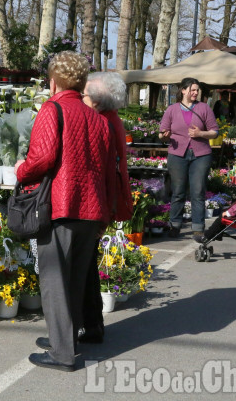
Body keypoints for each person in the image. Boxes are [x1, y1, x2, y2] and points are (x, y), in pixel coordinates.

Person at [15, 51, 114, 372]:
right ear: (83, 82)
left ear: (53, 80)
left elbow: (42, 159)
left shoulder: (52, 108)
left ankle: (62, 352)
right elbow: (103, 168)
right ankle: (65, 340)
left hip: (61, 206)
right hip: (91, 208)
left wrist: (21, 169)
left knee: (55, 281)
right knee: (74, 280)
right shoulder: (98, 119)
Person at [79, 71, 132, 345]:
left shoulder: (103, 123)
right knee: (86, 267)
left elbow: (103, 173)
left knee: (84, 267)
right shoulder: (111, 120)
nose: (81, 97)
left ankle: (89, 326)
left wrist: (103, 213)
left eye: (85, 94)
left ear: (98, 102)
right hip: (102, 204)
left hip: (97, 205)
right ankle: (92, 325)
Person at [159, 77, 219, 242]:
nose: (195, 92)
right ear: (183, 90)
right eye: (192, 89)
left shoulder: (204, 108)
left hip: (201, 155)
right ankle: (175, 225)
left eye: (197, 90)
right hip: (177, 154)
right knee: (178, 191)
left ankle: (198, 228)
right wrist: (165, 136)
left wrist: (201, 134)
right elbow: (161, 133)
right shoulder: (171, 110)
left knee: (197, 191)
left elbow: (214, 131)